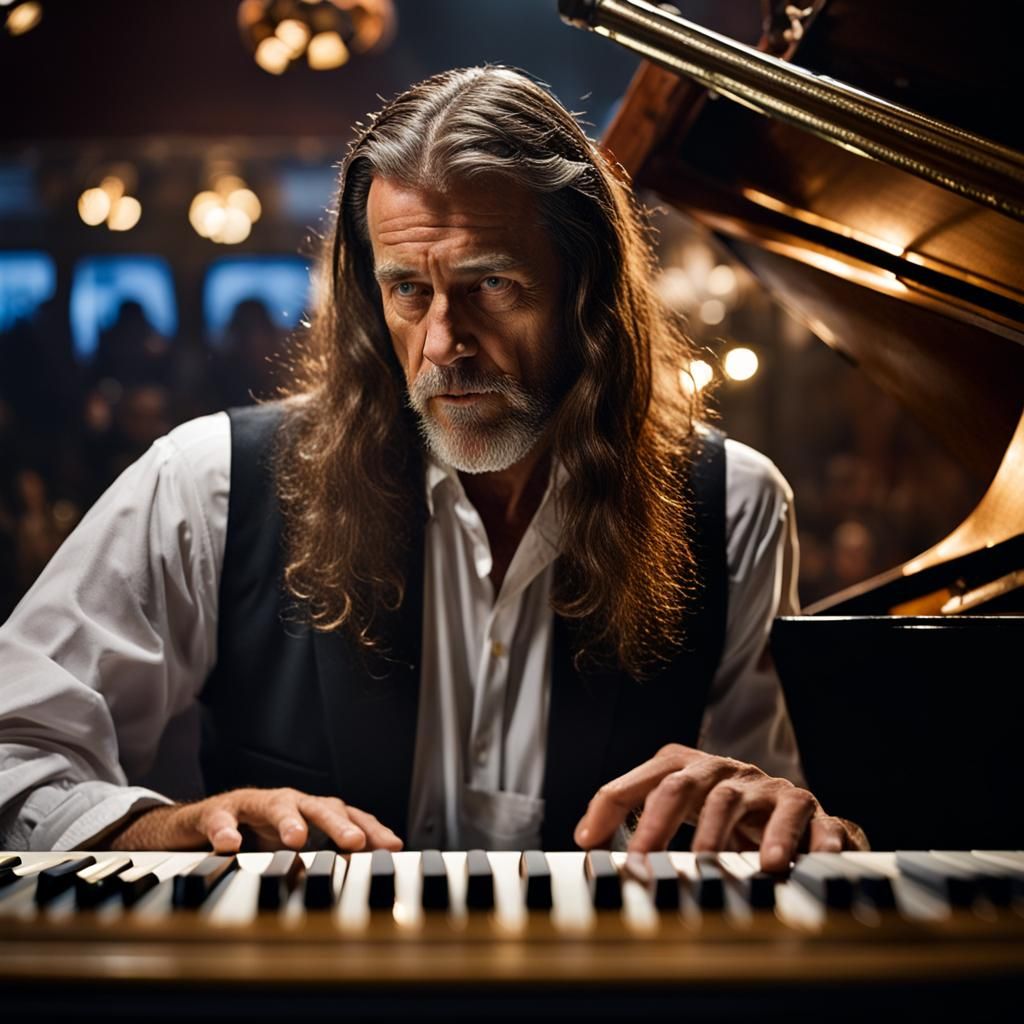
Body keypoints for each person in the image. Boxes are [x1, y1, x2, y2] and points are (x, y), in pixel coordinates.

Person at [0, 67, 866, 871]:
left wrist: (792, 825)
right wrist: (169, 831)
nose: (444, 343)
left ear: (587, 293)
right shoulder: (209, 483)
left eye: (492, 285)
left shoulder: (733, 505)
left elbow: (770, 828)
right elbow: (15, 754)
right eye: (409, 290)